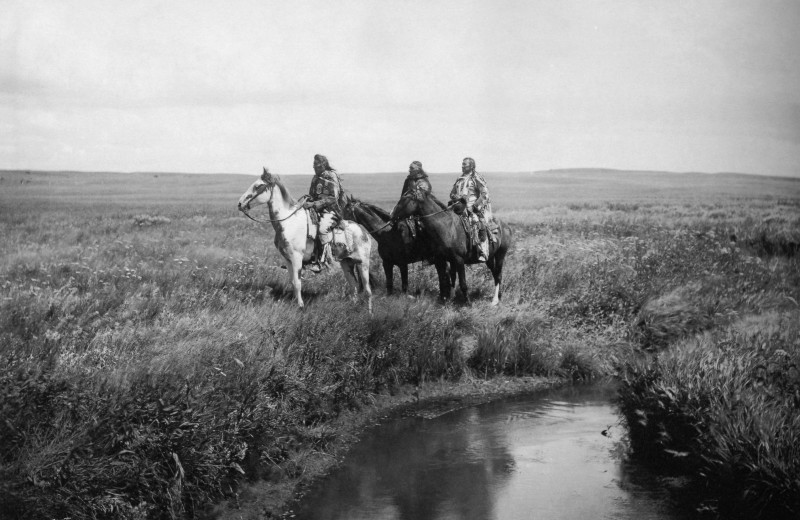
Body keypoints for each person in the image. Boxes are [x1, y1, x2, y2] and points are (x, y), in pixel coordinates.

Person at [302, 154, 343, 272]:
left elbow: (333, 198)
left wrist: (314, 204)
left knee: (322, 229)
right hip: (316, 210)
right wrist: (308, 201)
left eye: (316, 165)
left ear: (323, 164)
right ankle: (305, 259)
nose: (314, 167)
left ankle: (323, 260)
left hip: (331, 210)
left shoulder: (331, 176)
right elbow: (312, 195)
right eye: (313, 165)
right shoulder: (315, 178)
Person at [449, 157, 492, 261]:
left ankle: (483, 251)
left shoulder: (476, 177)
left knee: (476, 221)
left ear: (471, 166)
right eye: (462, 164)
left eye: (465, 164)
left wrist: (475, 206)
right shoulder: (460, 178)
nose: (462, 166)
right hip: (458, 205)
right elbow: (452, 193)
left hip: (472, 206)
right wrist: (457, 197)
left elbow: (485, 194)